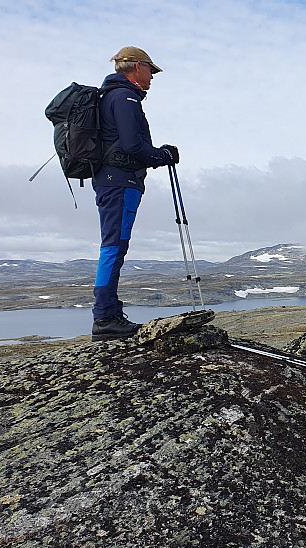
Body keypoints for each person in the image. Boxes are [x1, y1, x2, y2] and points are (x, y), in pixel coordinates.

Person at [91, 46, 179, 341]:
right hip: (120, 182)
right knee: (114, 247)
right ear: (137, 67)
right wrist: (162, 155)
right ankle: (104, 318)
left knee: (114, 245)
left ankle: (109, 313)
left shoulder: (112, 96)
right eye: (151, 71)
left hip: (112, 180)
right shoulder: (124, 97)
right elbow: (132, 145)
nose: (152, 78)